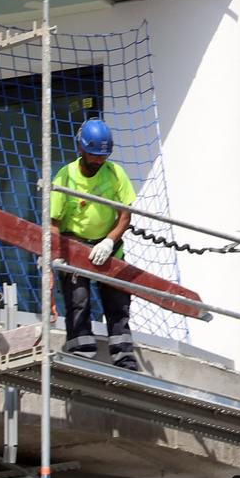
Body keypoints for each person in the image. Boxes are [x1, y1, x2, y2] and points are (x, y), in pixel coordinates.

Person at [50, 119, 139, 370]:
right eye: (94, 155)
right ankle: (81, 350)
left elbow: (125, 214)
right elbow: (53, 221)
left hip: (108, 244)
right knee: (78, 298)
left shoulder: (115, 173)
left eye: (103, 155)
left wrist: (109, 241)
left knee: (118, 299)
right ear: (81, 148)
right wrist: (58, 253)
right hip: (74, 245)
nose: (99, 161)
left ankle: (123, 355)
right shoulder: (65, 177)